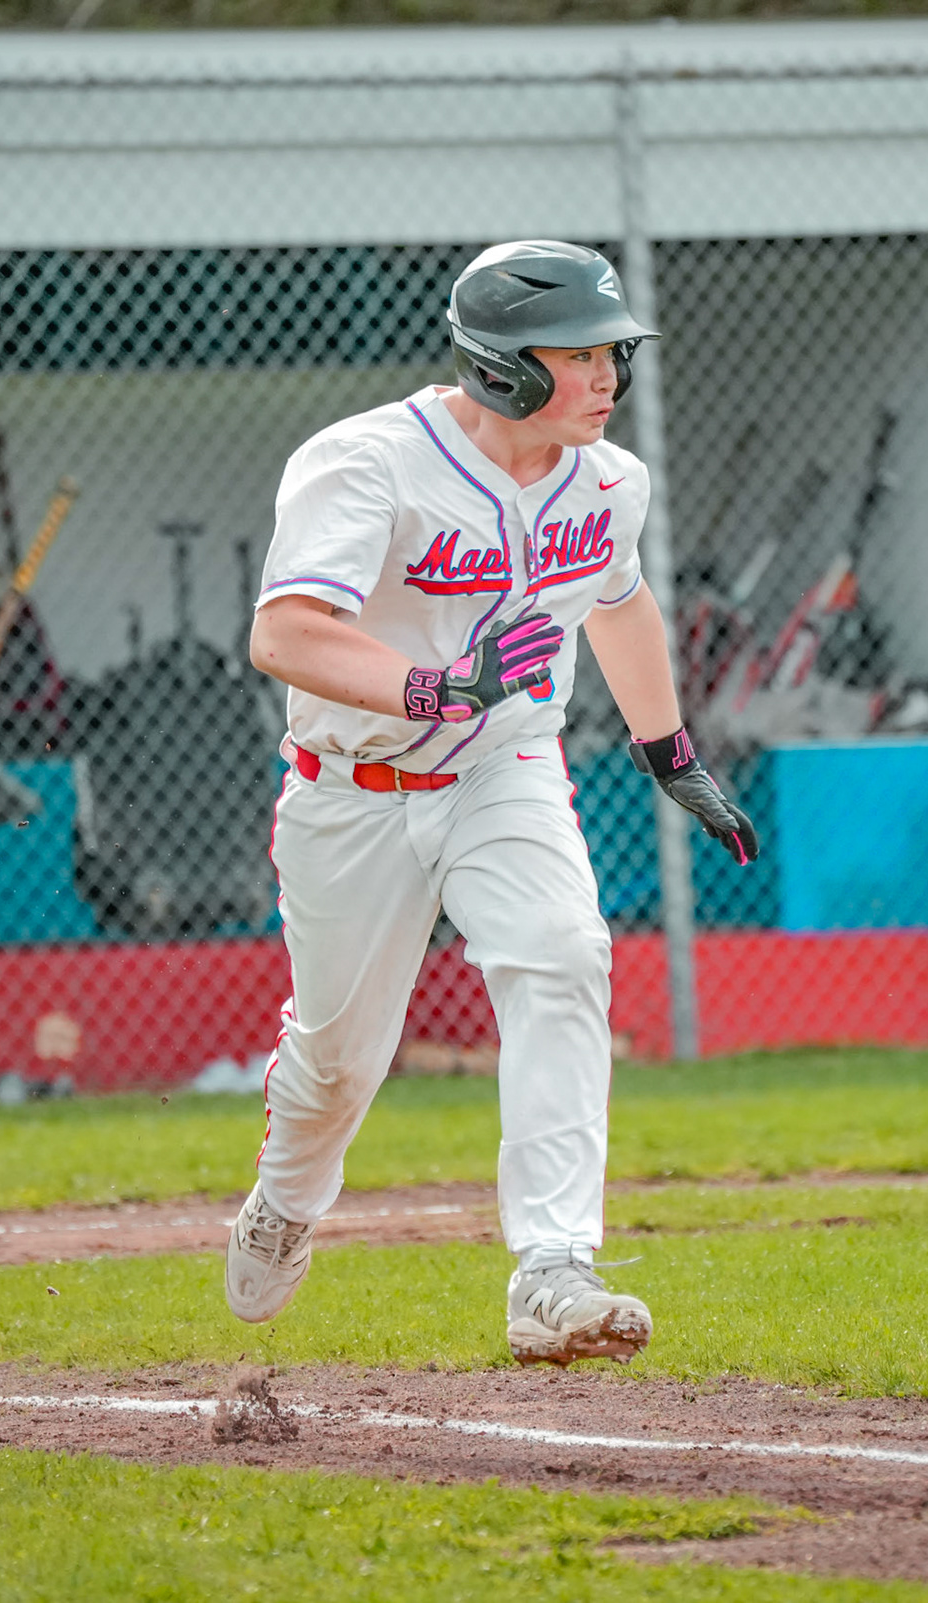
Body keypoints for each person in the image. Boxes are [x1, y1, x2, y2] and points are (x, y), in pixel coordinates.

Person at [227, 240, 760, 1365]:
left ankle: (554, 1266)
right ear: (501, 366)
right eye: (577, 355)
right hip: (355, 785)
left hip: (500, 766)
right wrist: (433, 685)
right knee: (339, 1058)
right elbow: (286, 634)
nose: (608, 375)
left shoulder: (609, 479)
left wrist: (669, 752)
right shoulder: (367, 462)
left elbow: (617, 602)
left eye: (612, 351)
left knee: (565, 955)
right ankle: (287, 1197)